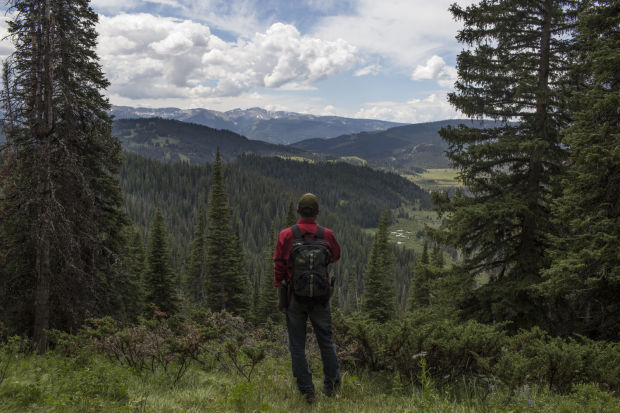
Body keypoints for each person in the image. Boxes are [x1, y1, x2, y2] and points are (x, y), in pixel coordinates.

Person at [273, 193, 341, 403]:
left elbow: (279, 264)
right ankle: (332, 388)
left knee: (297, 346)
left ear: (298, 211)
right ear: (317, 212)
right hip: (321, 298)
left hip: (295, 297)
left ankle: (307, 392)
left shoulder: (287, 234)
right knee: (326, 342)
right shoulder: (326, 234)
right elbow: (336, 256)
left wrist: (282, 286)